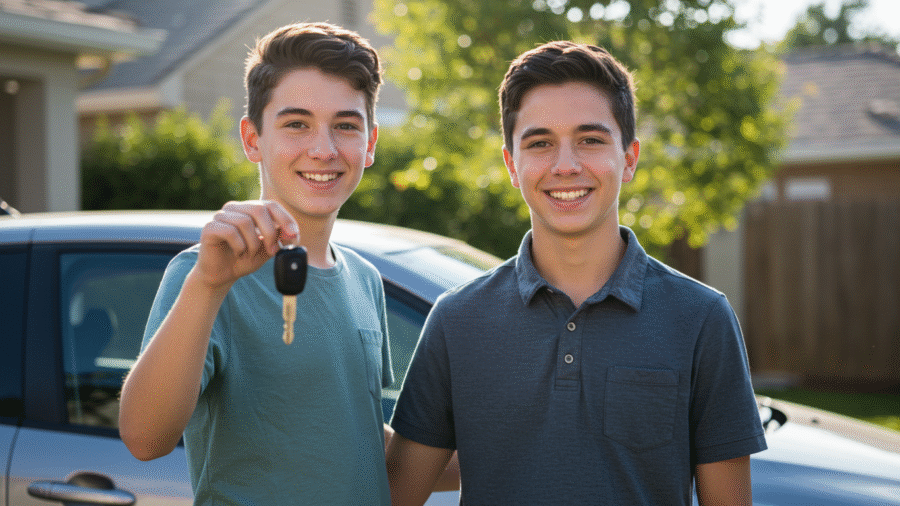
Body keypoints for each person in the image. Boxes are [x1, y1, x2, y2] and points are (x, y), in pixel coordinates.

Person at [386, 40, 767, 506]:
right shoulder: (457, 320)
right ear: (511, 163)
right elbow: (391, 493)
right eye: (540, 143)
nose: (566, 165)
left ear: (629, 158)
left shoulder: (701, 318)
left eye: (590, 140)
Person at [119, 22, 394, 504]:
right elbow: (145, 438)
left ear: (370, 143)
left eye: (346, 126)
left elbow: (363, 443)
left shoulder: (365, 281)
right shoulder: (205, 274)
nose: (324, 149)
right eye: (296, 124)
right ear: (251, 140)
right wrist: (207, 286)